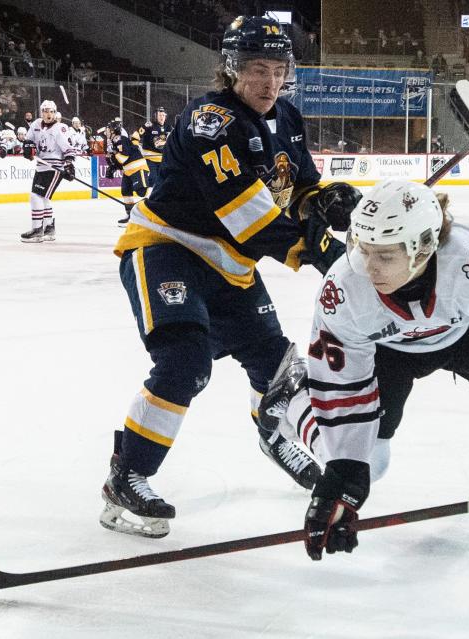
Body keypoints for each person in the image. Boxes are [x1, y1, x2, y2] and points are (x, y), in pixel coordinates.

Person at [98, 15, 361, 539]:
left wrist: (325, 198)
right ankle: (126, 476)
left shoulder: (286, 116)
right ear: (232, 69)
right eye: (256, 69)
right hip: (169, 249)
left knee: (278, 369)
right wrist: (317, 248)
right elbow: (245, 215)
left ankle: (273, 433)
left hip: (230, 266)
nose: (268, 82)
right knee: (186, 362)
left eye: (278, 69)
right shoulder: (209, 122)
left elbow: (299, 183)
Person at [256, 180, 469, 560]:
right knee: (372, 465)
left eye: (384, 256)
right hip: (389, 349)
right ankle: (296, 400)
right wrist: (343, 475)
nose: (368, 268)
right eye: (362, 249)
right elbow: (343, 389)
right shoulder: (344, 290)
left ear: (425, 247)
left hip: (460, 333)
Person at [18, 100, 77, 242]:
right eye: (45, 111)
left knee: (35, 196)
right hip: (41, 166)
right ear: (41, 112)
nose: (48, 114)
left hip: (54, 167)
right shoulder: (36, 124)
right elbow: (29, 141)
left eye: (51, 111)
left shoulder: (60, 128)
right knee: (43, 198)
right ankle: (49, 228)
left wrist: (69, 165)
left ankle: (37, 230)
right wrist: (28, 149)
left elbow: (68, 149)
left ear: (55, 113)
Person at [104, 118, 150, 226]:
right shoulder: (114, 141)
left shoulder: (120, 139)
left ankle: (151, 209)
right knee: (125, 191)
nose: (106, 131)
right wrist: (113, 167)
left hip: (138, 168)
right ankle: (130, 215)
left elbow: (124, 157)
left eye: (109, 129)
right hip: (128, 171)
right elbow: (121, 162)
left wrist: (114, 154)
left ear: (113, 130)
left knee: (142, 191)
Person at [138, 106, 171, 188]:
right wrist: (135, 143)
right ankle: (150, 197)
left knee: (164, 179)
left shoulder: (169, 127)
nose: (162, 117)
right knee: (153, 178)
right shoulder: (149, 125)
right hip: (150, 158)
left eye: (163, 115)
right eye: (160, 115)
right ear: (155, 116)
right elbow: (137, 134)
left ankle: (160, 198)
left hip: (163, 159)